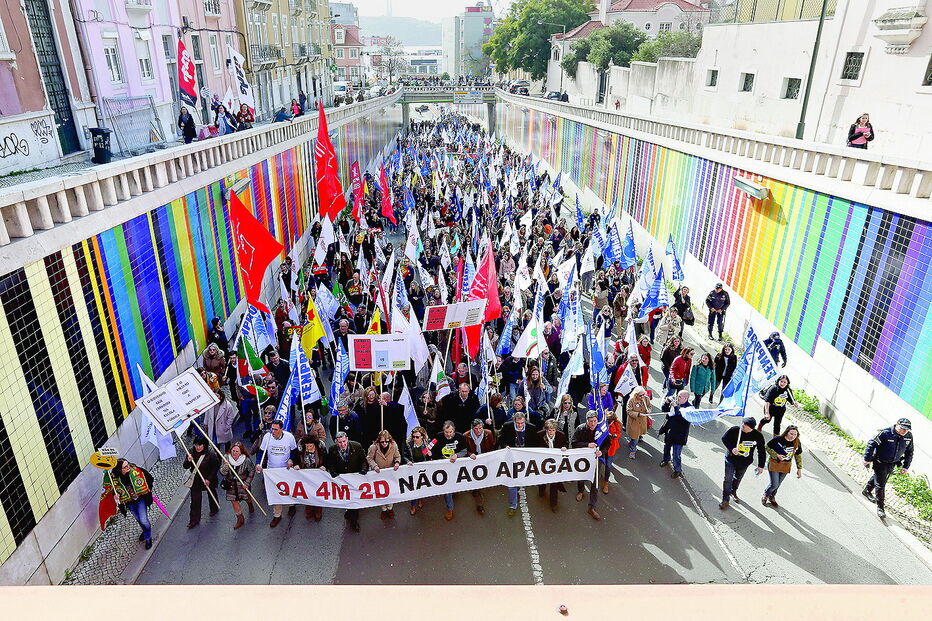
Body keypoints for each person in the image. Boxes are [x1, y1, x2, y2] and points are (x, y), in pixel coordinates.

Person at [863, 418, 913, 519]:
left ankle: (867, 490)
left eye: (907, 429)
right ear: (896, 425)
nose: (905, 431)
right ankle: (880, 507)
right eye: (903, 428)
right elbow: (871, 444)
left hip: (892, 463)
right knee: (881, 484)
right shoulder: (885, 433)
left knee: (879, 478)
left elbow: (909, 452)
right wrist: (867, 459)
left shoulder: (908, 436)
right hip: (880, 461)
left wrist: (906, 466)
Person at [103, 459, 155, 549]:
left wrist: (147, 489)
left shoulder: (137, 471)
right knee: (138, 519)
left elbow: (150, 478)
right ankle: (145, 531)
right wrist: (116, 495)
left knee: (143, 520)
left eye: (128, 465)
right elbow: (113, 490)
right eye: (125, 467)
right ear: (120, 469)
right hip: (128, 501)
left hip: (140, 499)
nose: (128, 467)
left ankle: (148, 537)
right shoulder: (115, 479)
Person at [256, 420, 297, 527]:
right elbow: (261, 452)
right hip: (272, 471)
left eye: (275, 429)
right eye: (272, 429)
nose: (272, 431)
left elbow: (294, 451)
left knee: (288, 489)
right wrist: (258, 463)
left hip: (286, 470)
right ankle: (277, 515)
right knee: (275, 493)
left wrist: (291, 459)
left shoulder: (289, 437)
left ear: (281, 429)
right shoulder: (267, 437)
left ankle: (292, 504)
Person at [498, 411, 539, 516]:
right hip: (511, 458)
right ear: (514, 421)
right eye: (518, 423)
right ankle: (512, 505)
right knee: (512, 482)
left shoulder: (532, 428)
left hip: (525, 459)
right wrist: (505, 447)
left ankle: (517, 489)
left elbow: (535, 444)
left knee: (520, 480)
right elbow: (500, 440)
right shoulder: (507, 427)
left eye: (522, 423)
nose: (520, 425)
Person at [719, 417, 765, 510]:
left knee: (738, 478)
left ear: (751, 427)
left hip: (745, 462)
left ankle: (733, 491)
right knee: (728, 479)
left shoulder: (758, 436)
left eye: (745, 425)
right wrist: (731, 448)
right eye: (742, 423)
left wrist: (761, 466)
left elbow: (761, 451)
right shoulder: (735, 430)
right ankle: (725, 499)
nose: (742, 425)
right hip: (731, 459)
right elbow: (724, 438)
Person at [571, 411, 608, 520]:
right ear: (586, 421)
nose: (592, 424)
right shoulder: (580, 429)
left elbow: (607, 445)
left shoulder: (602, 430)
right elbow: (574, 443)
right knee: (582, 477)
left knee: (595, 482)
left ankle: (592, 507)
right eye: (590, 421)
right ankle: (581, 490)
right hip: (583, 459)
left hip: (596, 459)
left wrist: (602, 452)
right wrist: (587, 445)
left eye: (595, 421)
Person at [328, 432, 368, 531]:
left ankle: (354, 521)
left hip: (355, 478)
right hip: (342, 479)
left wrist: (363, 469)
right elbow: (330, 462)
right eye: (340, 442)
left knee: (354, 499)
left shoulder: (357, 446)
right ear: (336, 442)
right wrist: (332, 471)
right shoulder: (332, 449)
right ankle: (349, 510)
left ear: (347, 439)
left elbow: (364, 460)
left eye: (344, 441)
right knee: (346, 497)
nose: (342, 444)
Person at [431, 421, 468, 520]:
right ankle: (450, 509)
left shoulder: (460, 437)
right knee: (447, 488)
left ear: (454, 431)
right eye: (446, 432)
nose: (448, 434)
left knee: (454, 484)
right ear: (443, 431)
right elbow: (428, 448)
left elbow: (465, 450)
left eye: (450, 432)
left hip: (456, 466)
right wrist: (427, 454)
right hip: (443, 467)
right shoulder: (438, 436)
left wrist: (457, 455)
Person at [183, 436, 220, 528]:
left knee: (211, 494)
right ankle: (194, 520)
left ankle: (214, 508)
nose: (198, 447)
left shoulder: (211, 454)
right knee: (195, 500)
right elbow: (185, 466)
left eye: (200, 445)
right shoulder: (191, 452)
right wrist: (188, 461)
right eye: (196, 445)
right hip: (196, 479)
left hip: (208, 478)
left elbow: (215, 467)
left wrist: (209, 479)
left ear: (205, 445)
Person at [763, 426, 803, 507]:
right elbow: (767, 447)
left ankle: (772, 497)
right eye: (791, 434)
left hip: (786, 465)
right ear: (787, 432)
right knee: (774, 484)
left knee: (778, 484)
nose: (793, 436)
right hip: (774, 463)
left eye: (795, 434)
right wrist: (776, 455)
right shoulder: (778, 439)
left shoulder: (797, 442)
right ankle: (766, 494)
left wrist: (799, 468)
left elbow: (798, 455)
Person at [219, 441, 256, 530]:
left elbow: (252, 471)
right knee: (234, 501)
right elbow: (222, 472)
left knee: (247, 498)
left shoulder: (246, 460)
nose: (234, 453)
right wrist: (226, 467)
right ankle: (240, 518)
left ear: (241, 452)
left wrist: (247, 483)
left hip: (242, 484)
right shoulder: (226, 458)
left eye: (236, 451)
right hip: (231, 484)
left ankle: (250, 503)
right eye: (233, 451)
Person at [292, 434, 327, 521]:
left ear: (314, 444)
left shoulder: (320, 450)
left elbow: (327, 460)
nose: (308, 448)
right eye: (307, 446)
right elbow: (296, 459)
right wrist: (296, 465)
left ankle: (318, 511)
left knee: (318, 494)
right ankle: (309, 509)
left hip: (318, 476)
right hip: (306, 476)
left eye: (310, 446)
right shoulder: (301, 449)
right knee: (307, 493)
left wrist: (324, 466)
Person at [367, 430, 401, 520]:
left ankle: (390, 508)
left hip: (390, 473)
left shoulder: (394, 445)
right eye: (382, 442)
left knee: (391, 491)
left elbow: (397, 456)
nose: (384, 443)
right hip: (379, 474)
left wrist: (397, 462)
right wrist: (374, 466)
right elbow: (369, 459)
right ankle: (384, 509)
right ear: (379, 441)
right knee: (381, 492)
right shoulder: (373, 447)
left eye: (386, 441)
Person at [658, 390, 692, 478]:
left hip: (680, 435)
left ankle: (677, 470)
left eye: (680, 397)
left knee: (676, 454)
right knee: (667, 447)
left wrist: (675, 406)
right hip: (670, 431)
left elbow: (682, 417)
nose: (677, 398)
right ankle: (666, 459)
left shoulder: (690, 408)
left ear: (686, 398)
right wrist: (666, 403)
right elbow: (665, 410)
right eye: (677, 396)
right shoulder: (675, 403)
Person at [536, 418, 568, 512]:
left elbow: (565, 444)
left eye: (553, 430)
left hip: (555, 464)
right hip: (542, 463)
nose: (551, 432)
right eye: (549, 430)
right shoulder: (539, 435)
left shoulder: (561, 436)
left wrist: (564, 447)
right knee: (542, 481)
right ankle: (541, 490)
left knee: (554, 484)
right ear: (546, 429)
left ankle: (553, 504)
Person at [465, 418, 495, 514]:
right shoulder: (466, 436)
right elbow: (464, 450)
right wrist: (470, 454)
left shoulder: (488, 434)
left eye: (480, 428)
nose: (478, 431)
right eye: (476, 429)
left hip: (484, 461)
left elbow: (492, 446)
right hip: (472, 462)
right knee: (475, 480)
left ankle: (480, 504)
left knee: (481, 483)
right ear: (472, 428)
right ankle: (475, 490)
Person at [403, 426, 431, 515]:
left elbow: (432, 458)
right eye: (414, 436)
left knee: (422, 486)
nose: (415, 439)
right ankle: (413, 505)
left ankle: (421, 499)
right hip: (413, 470)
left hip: (423, 470)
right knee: (414, 488)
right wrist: (408, 461)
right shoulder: (408, 444)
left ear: (422, 436)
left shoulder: (428, 444)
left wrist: (430, 455)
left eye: (417, 437)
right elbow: (404, 455)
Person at [625, 385, 651, 459]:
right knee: (635, 438)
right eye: (640, 395)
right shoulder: (631, 400)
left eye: (643, 394)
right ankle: (633, 450)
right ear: (636, 394)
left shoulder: (646, 398)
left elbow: (649, 406)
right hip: (634, 422)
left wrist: (649, 410)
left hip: (642, 421)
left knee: (637, 435)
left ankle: (631, 442)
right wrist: (638, 414)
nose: (642, 396)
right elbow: (629, 411)